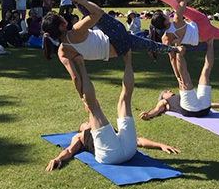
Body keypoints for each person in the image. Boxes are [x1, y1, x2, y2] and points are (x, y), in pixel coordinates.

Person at [32, 0, 183, 96]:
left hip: (118, 49)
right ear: (63, 24)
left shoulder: (62, 52)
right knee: (84, 7)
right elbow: (97, 13)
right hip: (115, 36)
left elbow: (75, 78)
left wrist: (83, 97)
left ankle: (175, 49)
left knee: (148, 44)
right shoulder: (76, 31)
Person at [46, 50, 180, 170]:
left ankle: (127, 58)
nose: (87, 122)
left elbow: (138, 141)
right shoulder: (81, 136)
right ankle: (82, 65)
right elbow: (69, 151)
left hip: (128, 150)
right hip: (109, 155)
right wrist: (58, 158)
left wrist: (160, 145)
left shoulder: (113, 132)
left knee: (124, 99)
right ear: (81, 129)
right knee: (93, 106)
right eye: (85, 123)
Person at [139, 37, 219, 119]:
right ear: (163, 97)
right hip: (190, 110)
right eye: (165, 92)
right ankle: (178, 49)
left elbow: (210, 104)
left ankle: (210, 43)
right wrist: (148, 115)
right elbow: (156, 110)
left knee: (205, 73)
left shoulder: (180, 96)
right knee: (184, 78)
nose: (169, 90)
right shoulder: (164, 102)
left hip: (205, 109)